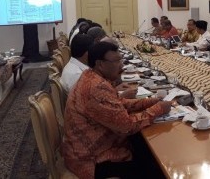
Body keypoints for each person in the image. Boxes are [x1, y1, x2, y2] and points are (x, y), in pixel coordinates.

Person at [62, 42, 172, 178]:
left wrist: (148, 102)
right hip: (92, 160)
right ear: (100, 64)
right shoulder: (96, 88)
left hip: (91, 148)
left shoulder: (91, 76)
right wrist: (158, 109)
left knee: (143, 144)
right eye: (116, 61)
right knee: (155, 165)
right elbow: (127, 126)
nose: (122, 66)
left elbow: (117, 103)